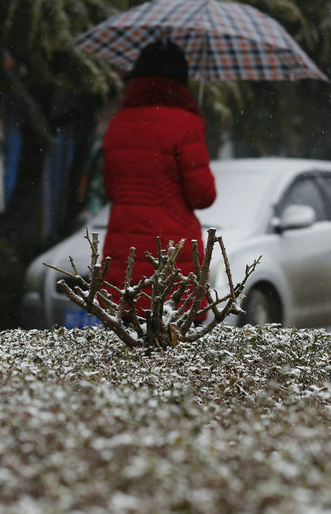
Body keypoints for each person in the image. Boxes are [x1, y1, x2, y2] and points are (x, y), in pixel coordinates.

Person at [100, 40, 216, 317]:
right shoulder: (186, 123)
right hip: (172, 258)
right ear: (181, 79)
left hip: (122, 258)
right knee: (175, 354)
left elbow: (110, 188)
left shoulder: (118, 123)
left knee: (125, 351)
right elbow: (203, 196)